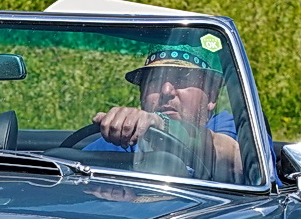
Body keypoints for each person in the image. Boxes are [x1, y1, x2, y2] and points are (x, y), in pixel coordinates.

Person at [81, 43, 243, 181]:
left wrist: (162, 124)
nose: (166, 91)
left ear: (211, 97)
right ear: (142, 95)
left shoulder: (230, 126)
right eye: (155, 81)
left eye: (182, 79)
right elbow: (76, 170)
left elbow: (234, 156)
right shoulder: (124, 141)